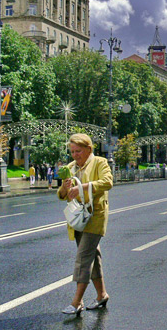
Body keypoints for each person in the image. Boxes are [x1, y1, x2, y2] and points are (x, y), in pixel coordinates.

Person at [58, 133, 113, 316]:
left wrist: (82, 187)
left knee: (83, 258)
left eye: (78, 151)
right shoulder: (70, 167)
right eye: (72, 151)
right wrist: (65, 188)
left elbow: (108, 182)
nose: (75, 155)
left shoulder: (99, 162)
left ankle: (77, 302)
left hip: (95, 217)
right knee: (92, 257)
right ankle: (102, 295)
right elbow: (61, 193)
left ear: (89, 149)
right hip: (78, 219)